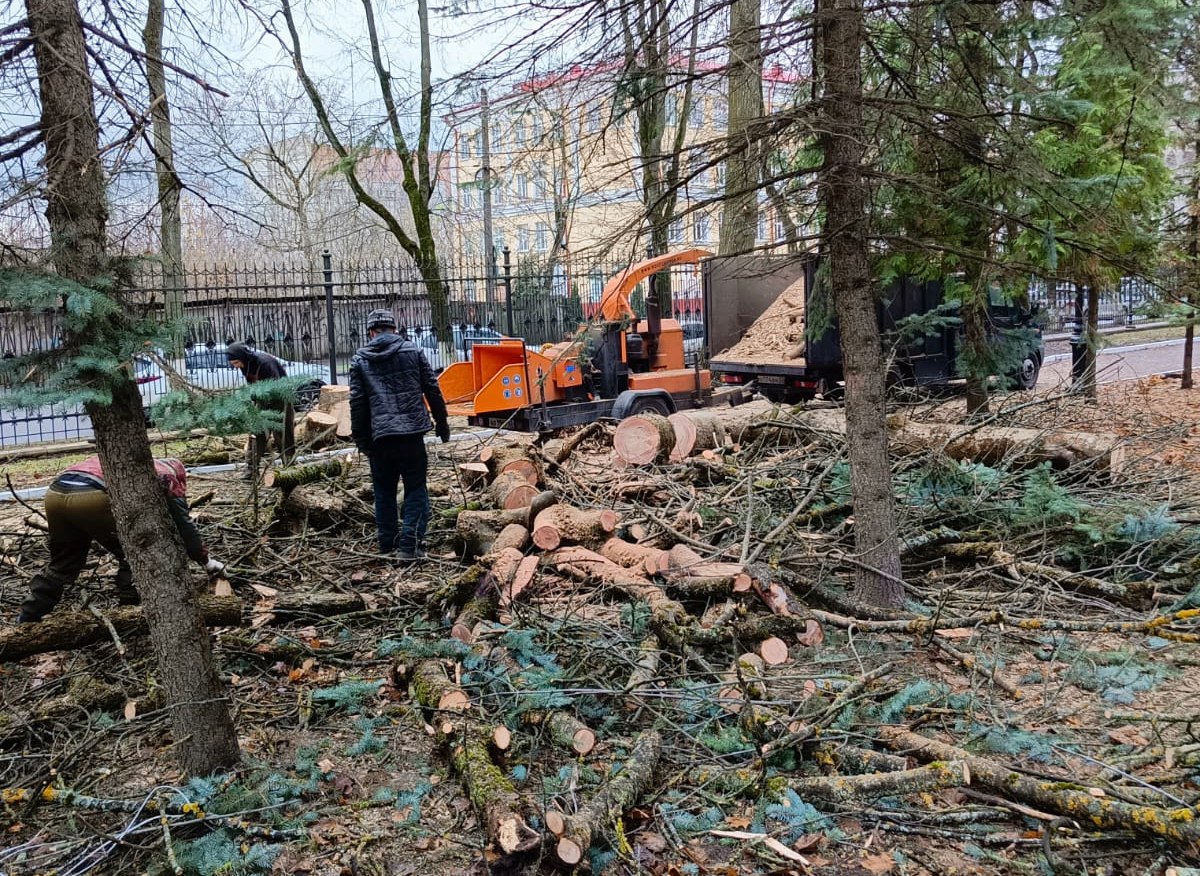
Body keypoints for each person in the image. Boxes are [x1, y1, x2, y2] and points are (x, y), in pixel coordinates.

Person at [18, 457, 224, 624]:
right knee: (135, 551)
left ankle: (27, 618)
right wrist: (206, 561)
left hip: (55, 493)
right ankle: (129, 610)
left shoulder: (135, 462)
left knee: (62, 564)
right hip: (90, 495)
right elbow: (184, 526)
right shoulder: (168, 477)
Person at [349, 309, 451, 560]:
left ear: (371, 332)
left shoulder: (360, 359)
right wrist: (442, 421)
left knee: (383, 491)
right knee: (416, 488)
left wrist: (361, 438)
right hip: (411, 434)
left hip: (380, 437)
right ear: (394, 329)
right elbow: (432, 388)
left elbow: (357, 403)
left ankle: (387, 544)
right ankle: (409, 547)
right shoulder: (412, 351)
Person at [225, 342, 295, 468]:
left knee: (283, 435)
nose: (236, 367)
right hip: (262, 401)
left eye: (236, 363)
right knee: (257, 433)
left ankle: (289, 467)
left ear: (242, 357)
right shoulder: (245, 365)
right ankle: (251, 468)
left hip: (280, 400)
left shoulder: (265, 363)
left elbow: (275, 387)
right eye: (233, 364)